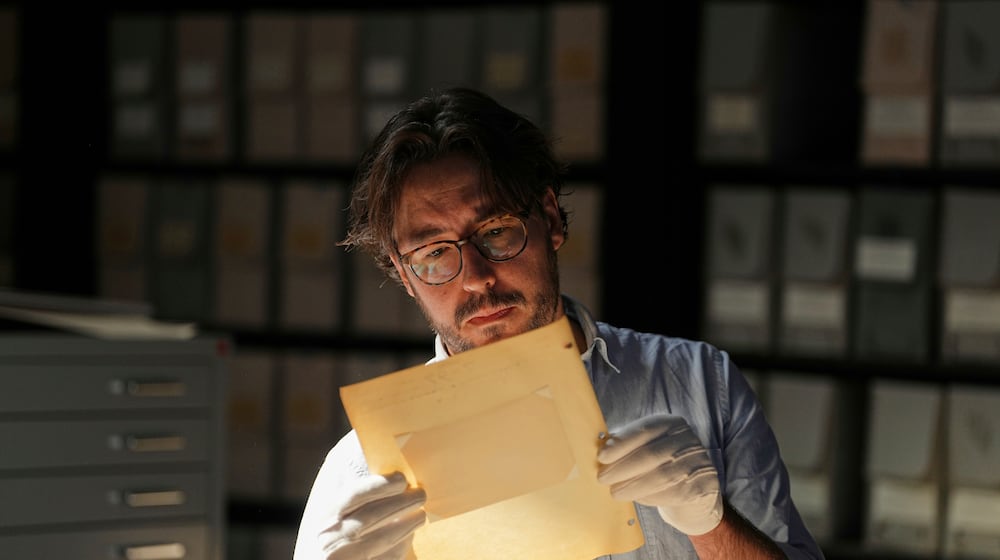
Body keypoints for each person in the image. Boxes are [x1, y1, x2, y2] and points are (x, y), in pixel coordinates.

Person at [292, 86, 825, 560]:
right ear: (405, 276)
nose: (475, 277)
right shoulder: (358, 476)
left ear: (548, 219)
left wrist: (712, 524)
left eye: (497, 231)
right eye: (434, 253)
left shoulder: (701, 384)